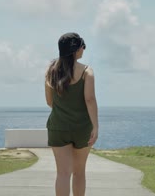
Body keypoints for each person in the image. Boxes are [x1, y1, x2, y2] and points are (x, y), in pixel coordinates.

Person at [45, 32, 99, 196]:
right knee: (79, 172)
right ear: (76, 49)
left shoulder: (51, 70)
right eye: (83, 45)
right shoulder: (86, 71)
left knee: (62, 174)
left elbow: (49, 102)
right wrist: (95, 126)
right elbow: (89, 100)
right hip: (82, 128)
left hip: (58, 127)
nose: (83, 49)